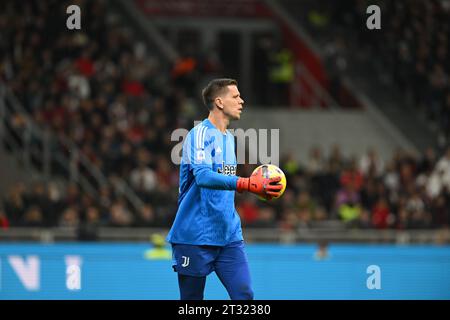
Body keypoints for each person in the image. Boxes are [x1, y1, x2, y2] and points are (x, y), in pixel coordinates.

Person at [166, 78, 282, 300]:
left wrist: (244, 185)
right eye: (235, 96)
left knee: (244, 295)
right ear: (219, 102)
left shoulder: (229, 139)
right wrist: (245, 183)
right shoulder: (198, 135)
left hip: (228, 235)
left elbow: (223, 182)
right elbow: (203, 177)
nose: (241, 101)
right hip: (195, 236)